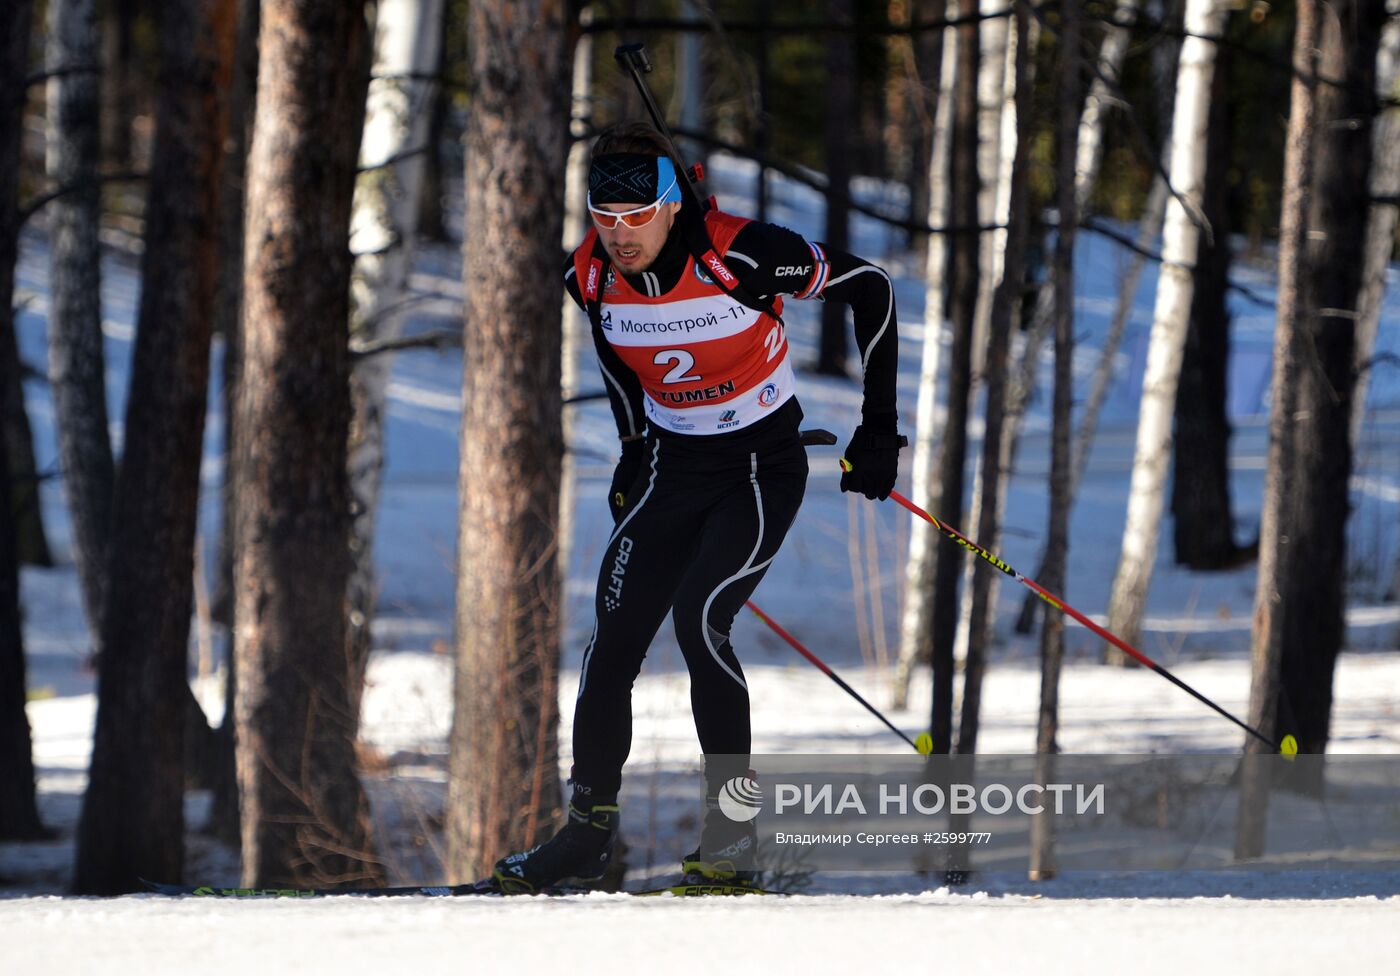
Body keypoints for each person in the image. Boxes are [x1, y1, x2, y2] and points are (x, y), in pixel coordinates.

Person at [491, 122, 903, 893]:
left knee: (701, 620)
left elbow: (870, 285)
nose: (620, 237)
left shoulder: (740, 251)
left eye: (637, 217)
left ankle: (732, 838)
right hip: (672, 467)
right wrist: (629, 446)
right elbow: (616, 356)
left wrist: (878, 430)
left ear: (673, 205)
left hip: (757, 467)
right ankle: (586, 836)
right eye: (604, 219)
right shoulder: (589, 276)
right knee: (610, 642)